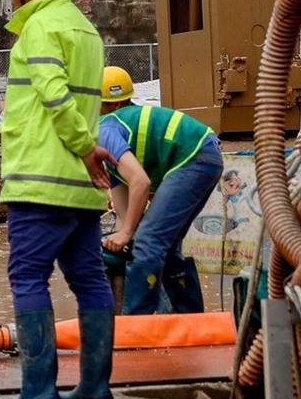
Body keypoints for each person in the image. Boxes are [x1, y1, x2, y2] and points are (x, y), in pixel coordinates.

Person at [0, 0, 116, 399]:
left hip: (39, 179)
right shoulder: (84, 28)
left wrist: (86, 148)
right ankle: (94, 389)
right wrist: (87, 156)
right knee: (89, 279)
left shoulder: (39, 28)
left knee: (27, 276)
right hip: (80, 189)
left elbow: (55, 96)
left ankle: (39, 392)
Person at [95, 65, 222, 315]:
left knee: (148, 240)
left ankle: (136, 324)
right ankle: (191, 319)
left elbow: (140, 182)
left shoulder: (103, 130)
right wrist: (120, 240)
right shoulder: (113, 154)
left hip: (194, 156)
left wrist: (129, 233)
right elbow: (123, 215)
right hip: (205, 154)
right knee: (165, 243)